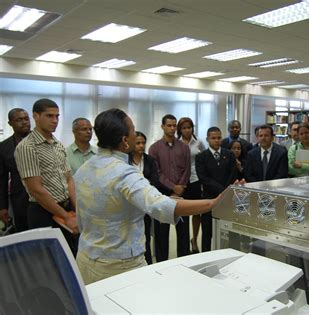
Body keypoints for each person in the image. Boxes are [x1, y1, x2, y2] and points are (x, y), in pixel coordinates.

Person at [74, 108, 220, 284]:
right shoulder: (124, 173)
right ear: (125, 141)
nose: (136, 135)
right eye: (133, 130)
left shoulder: (84, 169)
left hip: (84, 260)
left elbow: (83, 217)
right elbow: (161, 207)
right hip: (119, 267)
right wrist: (213, 203)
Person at [14, 99, 78, 252]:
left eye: (57, 116)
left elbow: (68, 179)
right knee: (49, 261)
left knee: (72, 253)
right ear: (35, 116)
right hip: (42, 211)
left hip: (66, 208)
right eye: (49, 116)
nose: (55, 120)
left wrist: (76, 209)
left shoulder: (58, 144)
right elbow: (36, 190)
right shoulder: (27, 147)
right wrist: (66, 216)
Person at [148, 114, 191, 261]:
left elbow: (187, 169)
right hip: (163, 195)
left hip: (182, 194)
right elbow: (157, 173)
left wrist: (180, 187)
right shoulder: (154, 148)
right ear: (162, 126)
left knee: (184, 233)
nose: (172, 128)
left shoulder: (184, 148)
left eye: (174, 126)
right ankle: (162, 264)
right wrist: (173, 187)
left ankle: (184, 262)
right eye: (169, 125)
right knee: (161, 234)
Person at [129, 131, 171, 264]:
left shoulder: (149, 160)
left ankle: (153, 262)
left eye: (143, 143)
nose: (141, 146)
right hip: (131, 203)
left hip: (147, 199)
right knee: (138, 235)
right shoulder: (125, 160)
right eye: (138, 143)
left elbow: (155, 179)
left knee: (148, 233)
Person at [196, 127, 237, 252]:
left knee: (226, 230)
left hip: (227, 198)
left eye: (219, 138)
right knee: (207, 232)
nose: (216, 140)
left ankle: (226, 254)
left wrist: (225, 191)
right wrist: (221, 190)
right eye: (213, 138)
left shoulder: (229, 154)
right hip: (209, 198)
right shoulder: (201, 157)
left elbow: (233, 174)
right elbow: (203, 178)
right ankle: (205, 256)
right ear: (207, 139)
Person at [177, 117, 206, 254]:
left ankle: (194, 239)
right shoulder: (176, 143)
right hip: (181, 181)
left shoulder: (198, 142)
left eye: (189, 127)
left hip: (195, 179)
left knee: (196, 212)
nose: (187, 130)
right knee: (184, 213)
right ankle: (183, 242)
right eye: (184, 128)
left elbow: (205, 158)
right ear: (180, 130)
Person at [0, 108, 31, 232]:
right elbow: (1, 179)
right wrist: (2, 207)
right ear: (10, 123)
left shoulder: (42, 141)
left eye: (26, 119)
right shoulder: (4, 147)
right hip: (19, 198)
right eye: (19, 120)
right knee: (23, 233)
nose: (24, 122)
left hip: (45, 196)